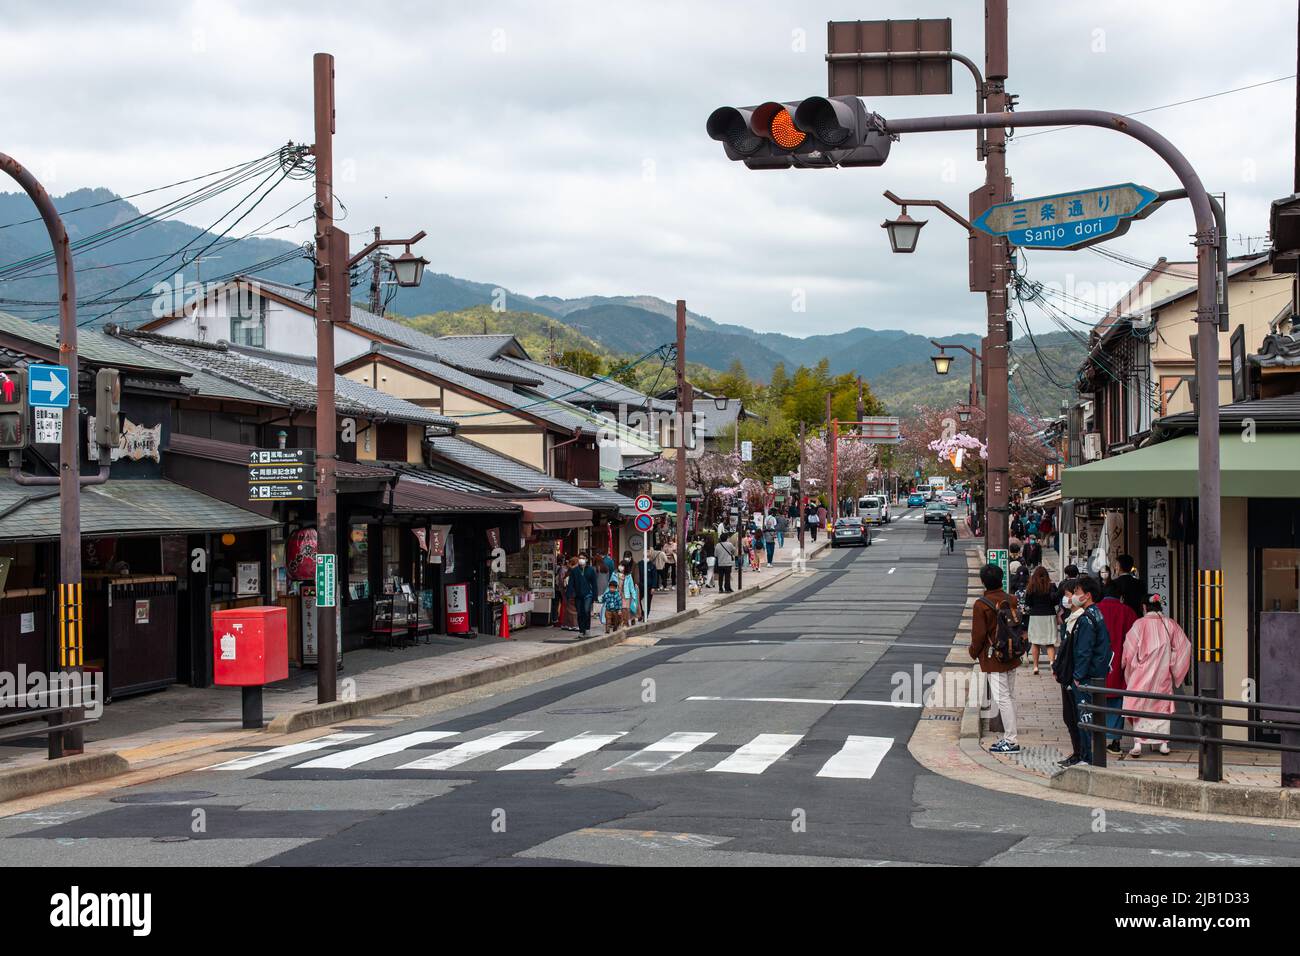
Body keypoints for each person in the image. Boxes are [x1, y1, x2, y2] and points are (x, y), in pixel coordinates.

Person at [1122, 595, 1192, 757]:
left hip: (1142, 673)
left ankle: (1138, 743)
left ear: (1145, 607)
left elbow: (1129, 648)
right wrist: (1173, 663)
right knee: (1161, 706)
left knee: (1140, 704)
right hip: (1162, 673)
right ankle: (1162, 744)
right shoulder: (1169, 624)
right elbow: (1184, 646)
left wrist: (1126, 665)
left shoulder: (1139, 624)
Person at [1053, 575, 1112, 767]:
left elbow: (1084, 651)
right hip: (1092, 675)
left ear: (1086, 595)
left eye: (1077, 592)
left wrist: (1078, 676)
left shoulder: (1087, 619)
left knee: (1083, 718)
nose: (1074, 597)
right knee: (1083, 717)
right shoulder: (1096, 614)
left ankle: (1086, 757)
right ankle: (1084, 755)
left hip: (1085, 677)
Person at [970, 563, 1022, 755]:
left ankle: (1011, 740)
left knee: (1002, 698)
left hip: (994, 657)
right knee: (1010, 696)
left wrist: (973, 652)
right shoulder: (1012, 599)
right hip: (1012, 654)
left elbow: (979, 635)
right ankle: (1010, 736)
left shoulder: (981, 604)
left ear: (984, 581)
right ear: (1002, 579)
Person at [1096, 581, 1139, 753]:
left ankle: (1097, 737)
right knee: (1116, 701)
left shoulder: (1095, 610)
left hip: (1098, 661)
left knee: (1097, 698)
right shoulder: (1127, 612)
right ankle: (1114, 741)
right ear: (1120, 596)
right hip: (1120, 661)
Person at [1024, 565, 1058, 675]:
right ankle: (1052, 664)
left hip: (1035, 616)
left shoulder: (1031, 587)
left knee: (1035, 642)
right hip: (1049, 615)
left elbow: (1028, 603)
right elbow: (1056, 600)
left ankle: (1035, 666)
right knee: (1050, 642)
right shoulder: (1051, 586)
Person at [566, 551, 598, 638]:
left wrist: (595, 596)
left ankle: (587, 629)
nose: (581, 560)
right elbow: (571, 583)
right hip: (578, 595)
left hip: (588, 594)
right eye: (580, 558)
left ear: (587, 560)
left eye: (583, 558)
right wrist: (569, 594)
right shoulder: (574, 571)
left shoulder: (591, 570)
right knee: (580, 613)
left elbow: (594, 584)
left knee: (586, 611)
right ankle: (581, 630)